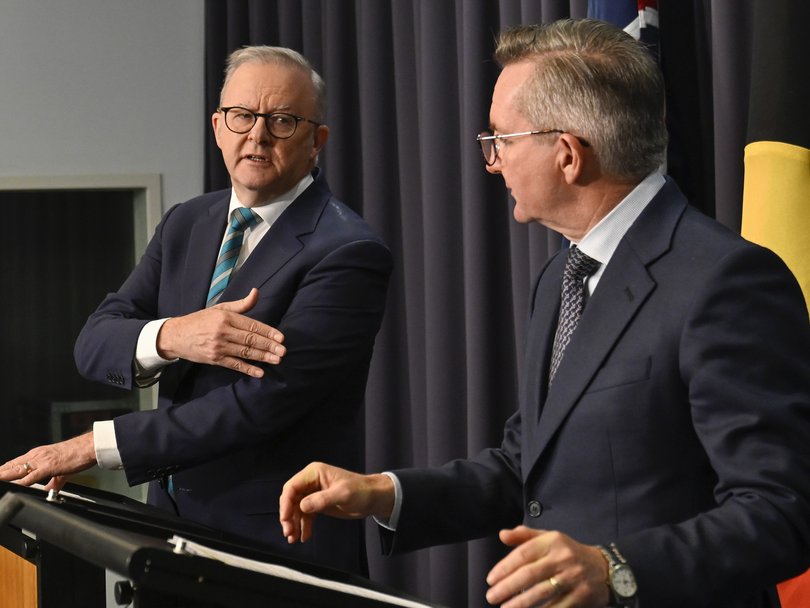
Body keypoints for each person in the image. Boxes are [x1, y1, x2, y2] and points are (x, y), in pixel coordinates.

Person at [279, 19, 810, 607]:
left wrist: (614, 571)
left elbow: (782, 511)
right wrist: (383, 492)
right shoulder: (562, 276)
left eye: (500, 140)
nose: (492, 162)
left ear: (566, 155)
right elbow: (525, 465)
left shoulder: (725, 281)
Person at [0, 46, 392, 575]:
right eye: (242, 116)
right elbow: (94, 343)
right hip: (167, 535)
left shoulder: (347, 250)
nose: (256, 135)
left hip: (276, 546)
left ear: (316, 140)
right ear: (217, 126)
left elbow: (261, 405)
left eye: (281, 120)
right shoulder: (188, 222)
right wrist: (171, 337)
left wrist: (94, 446)